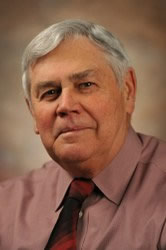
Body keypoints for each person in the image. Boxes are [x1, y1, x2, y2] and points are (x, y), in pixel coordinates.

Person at [0, 19, 166, 250]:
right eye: (50, 92)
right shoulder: (6, 206)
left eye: (86, 85)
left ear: (127, 91)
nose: (66, 105)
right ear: (32, 112)